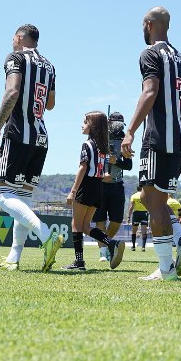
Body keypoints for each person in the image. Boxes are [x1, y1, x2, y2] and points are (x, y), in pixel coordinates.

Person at [120, 7, 181, 282]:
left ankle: (166, 268)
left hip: (159, 137)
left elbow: (150, 91)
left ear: (149, 24)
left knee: (151, 201)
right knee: (157, 199)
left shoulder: (150, 54)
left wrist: (130, 131)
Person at [0, 25, 63, 272]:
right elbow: (51, 104)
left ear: (20, 38)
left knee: (1, 195)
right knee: (22, 199)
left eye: (13, 37)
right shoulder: (49, 65)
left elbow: (12, 91)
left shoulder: (16, 57)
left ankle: (46, 236)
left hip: (19, 133)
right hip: (41, 136)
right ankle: (13, 258)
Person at [62, 112, 125, 271]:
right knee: (85, 226)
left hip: (87, 186)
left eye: (85, 122)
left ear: (93, 126)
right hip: (98, 188)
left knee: (76, 225)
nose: (82, 125)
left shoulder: (87, 144)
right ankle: (112, 243)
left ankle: (79, 262)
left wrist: (73, 191)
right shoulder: (102, 147)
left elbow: (83, 168)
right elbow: (102, 172)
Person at [93, 112, 132, 262]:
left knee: (116, 220)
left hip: (117, 184)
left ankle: (108, 243)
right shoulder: (100, 136)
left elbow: (128, 165)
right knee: (100, 219)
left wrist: (117, 161)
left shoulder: (124, 139)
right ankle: (103, 251)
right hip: (101, 184)